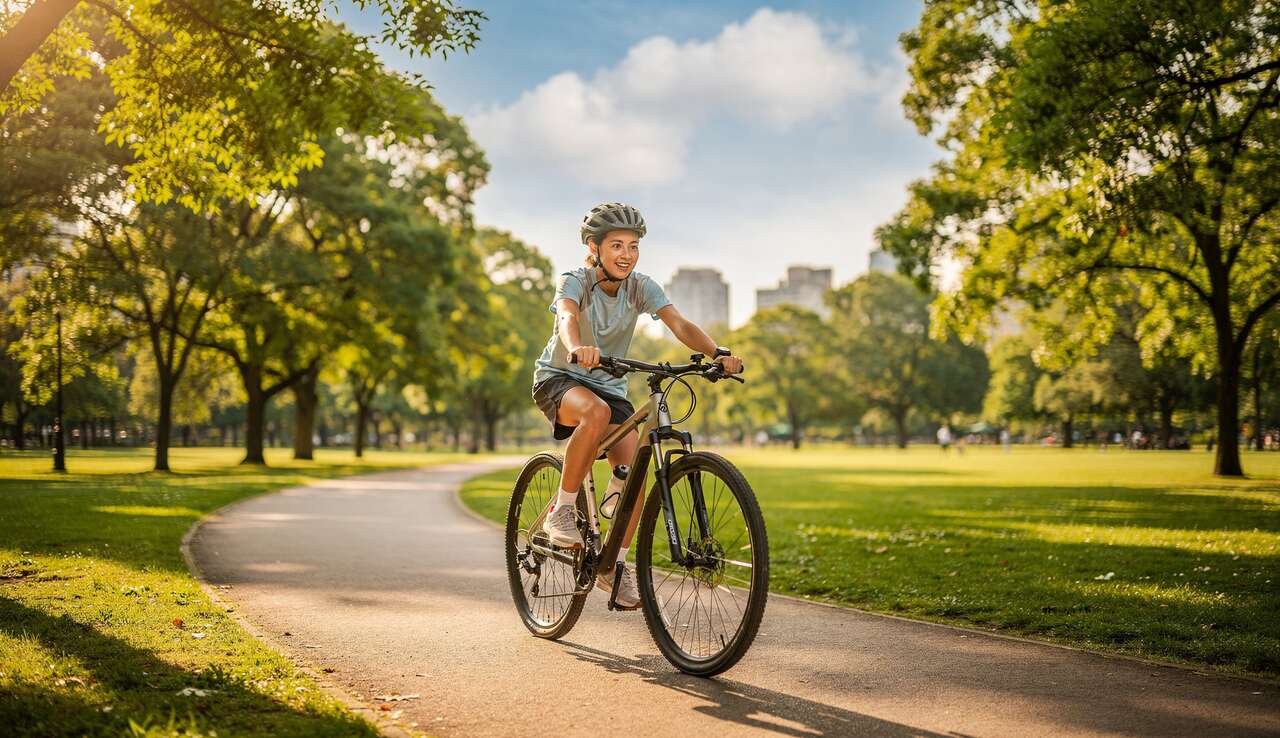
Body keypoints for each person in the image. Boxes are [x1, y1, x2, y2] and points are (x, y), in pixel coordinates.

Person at [530, 202, 743, 610]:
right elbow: (567, 319)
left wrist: (717, 352)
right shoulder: (574, 281)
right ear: (593, 248)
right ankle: (562, 510)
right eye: (616, 246)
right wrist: (578, 349)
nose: (626, 254)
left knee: (636, 473)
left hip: (610, 385)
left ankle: (615, 565)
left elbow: (678, 323)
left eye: (632, 246)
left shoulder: (641, 287)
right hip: (561, 378)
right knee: (596, 414)